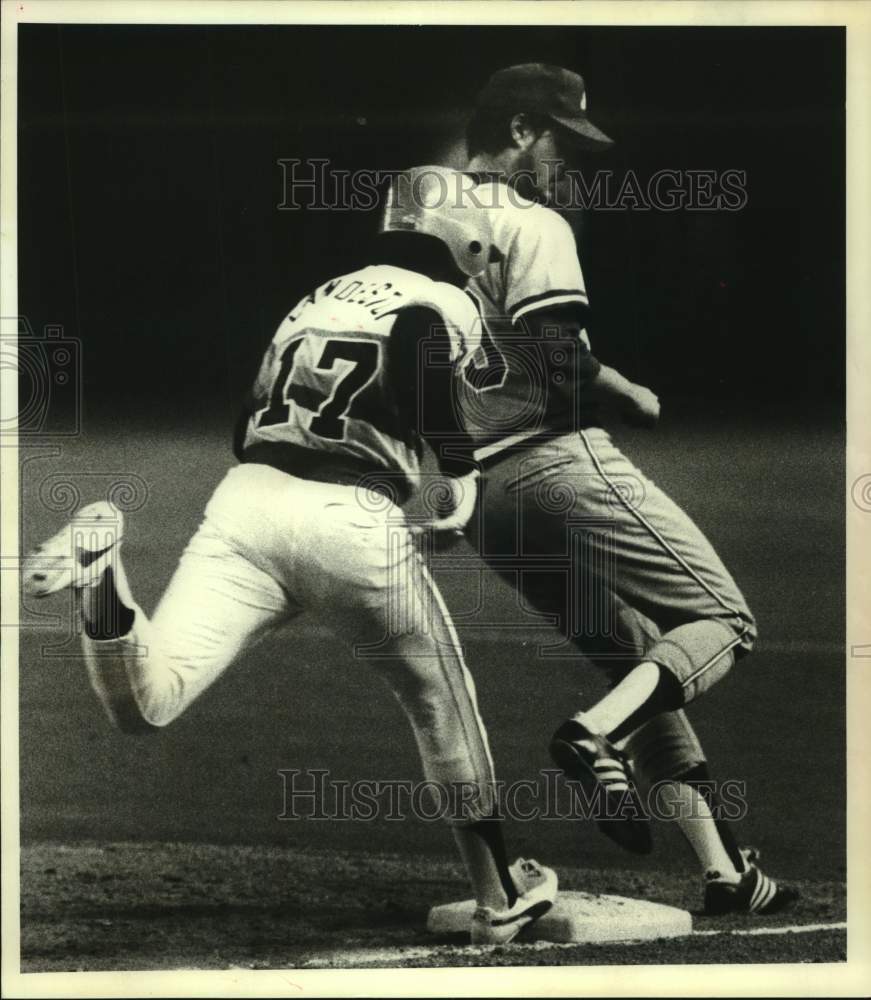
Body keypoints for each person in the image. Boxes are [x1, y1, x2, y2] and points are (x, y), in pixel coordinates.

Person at [22, 165, 558, 945]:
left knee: (149, 702)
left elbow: (246, 427)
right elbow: (418, 345)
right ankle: (498, 894)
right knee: (440, 701)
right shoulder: (443, 301)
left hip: (245, 502)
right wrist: (462, 474)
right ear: (468, 240)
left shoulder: (317, 296)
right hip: (348, 520)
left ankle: (103, 578)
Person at [450, 64, 797, 914]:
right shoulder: (531, 223)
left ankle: (724, 873)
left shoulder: (418, 215)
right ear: (525, 129)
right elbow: (558, 357)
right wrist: (629, 391)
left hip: (481, 498)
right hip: (558, 461)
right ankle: (590, 733)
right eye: (561, 143)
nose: (568, 164)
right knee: (722, 621)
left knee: (638, 656)